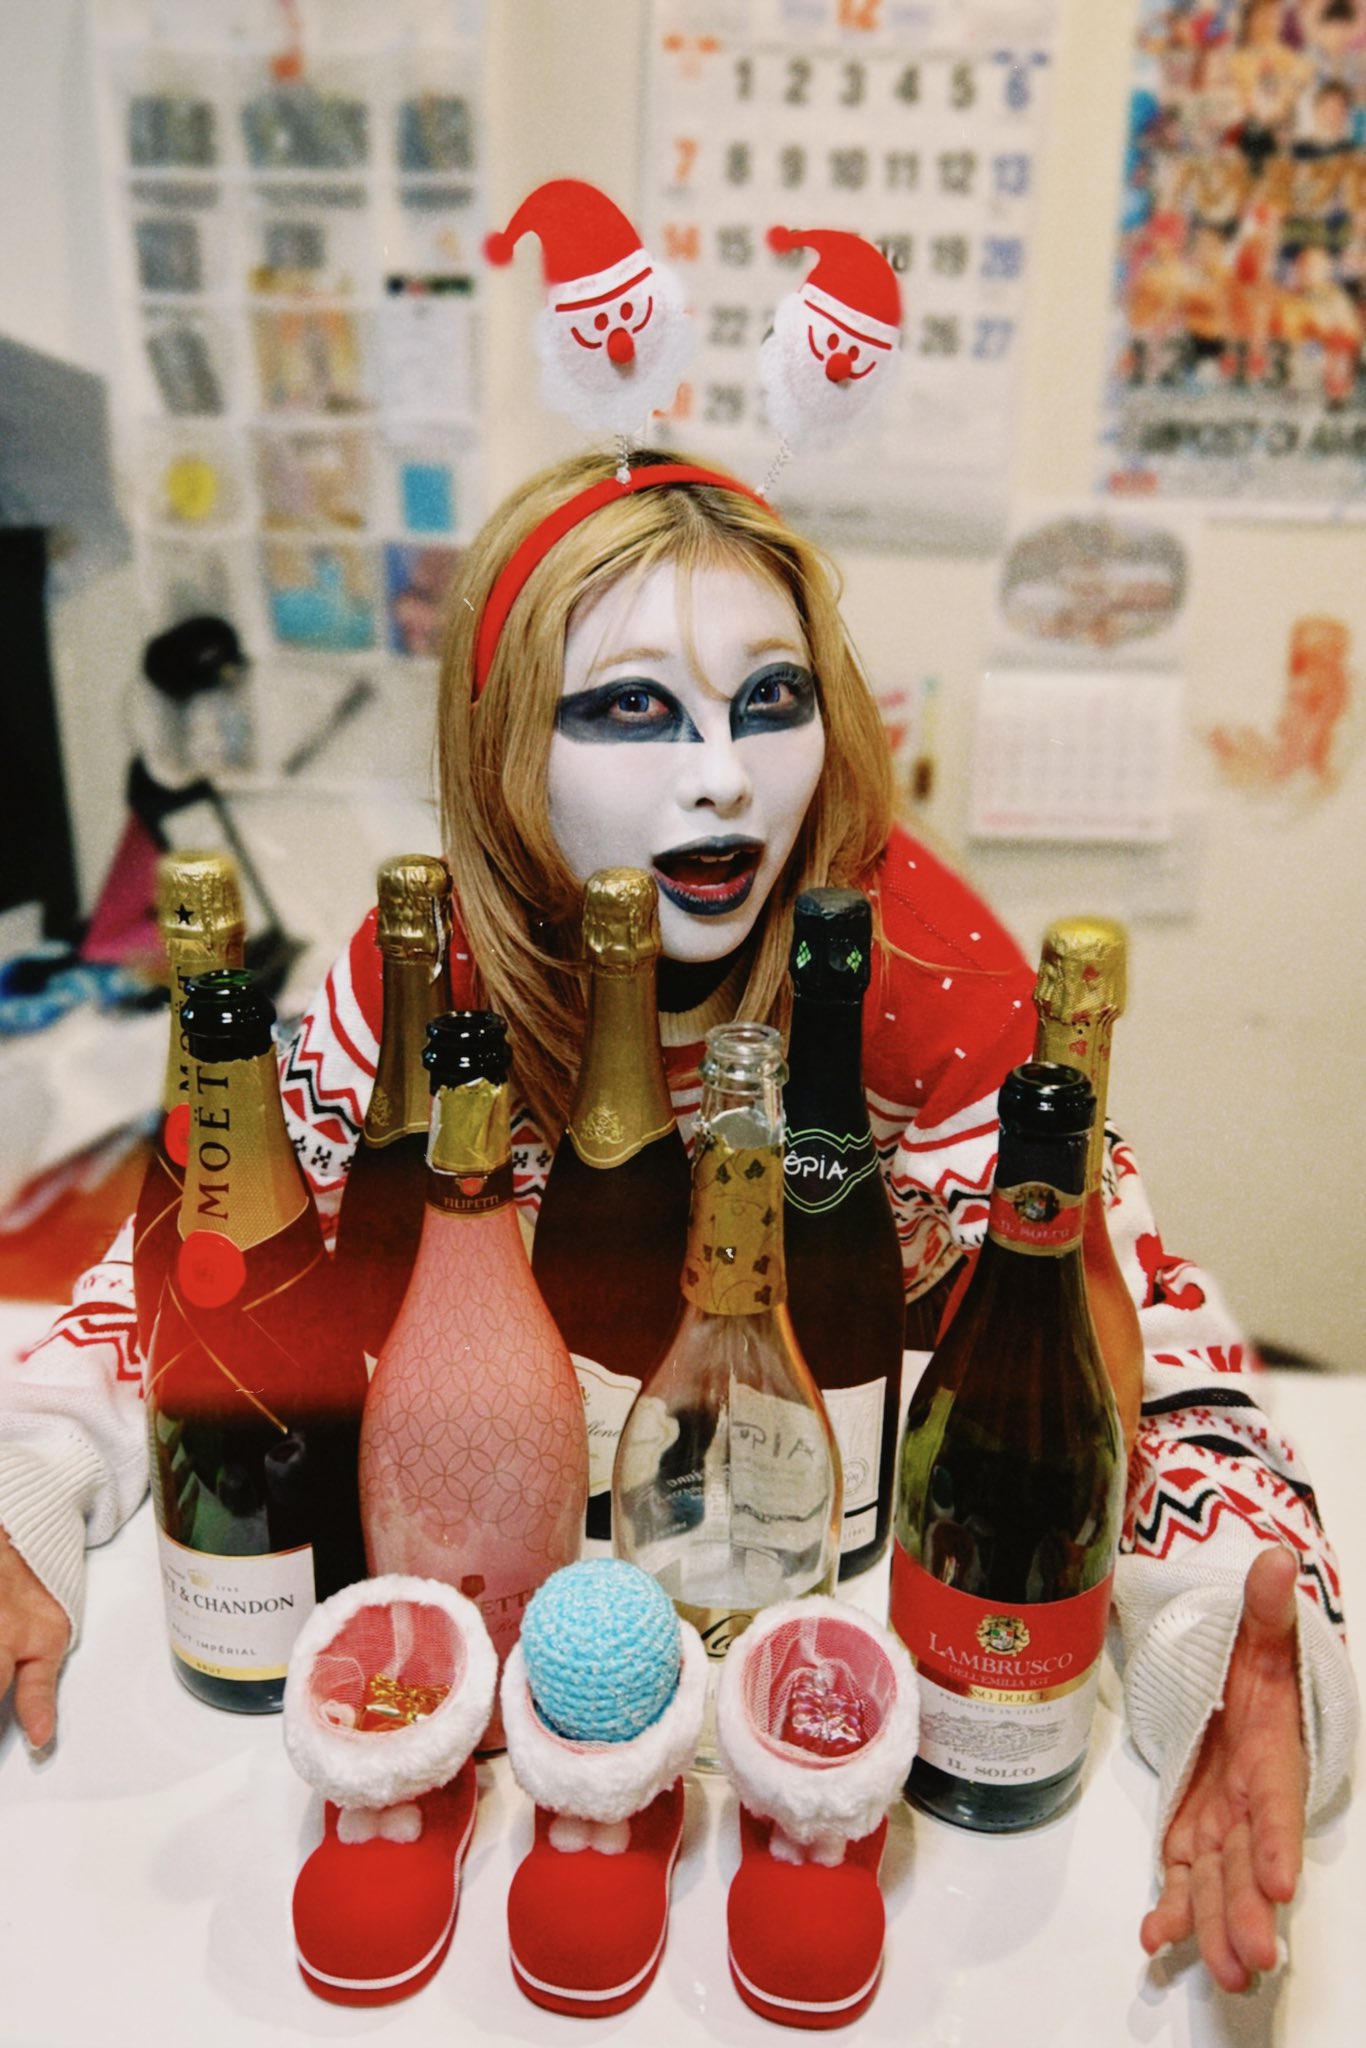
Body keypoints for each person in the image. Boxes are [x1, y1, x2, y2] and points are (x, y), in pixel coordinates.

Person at [0, 448, 1356, 1998]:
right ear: (507, 747)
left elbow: (1143, 1336)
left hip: (838, 1616)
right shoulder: (423, 971)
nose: (721, 778)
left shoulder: (921, 964)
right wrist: (31, 1488)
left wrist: (1213, 1647)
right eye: (633, 709)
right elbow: (191, 1279)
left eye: (771, 700)